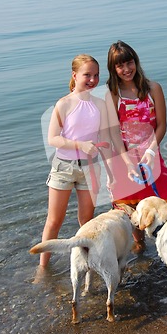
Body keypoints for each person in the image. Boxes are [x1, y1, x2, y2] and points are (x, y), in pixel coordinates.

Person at [105, 40, 167, 252]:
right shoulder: (113, 94)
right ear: (113, 69)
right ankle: (140, 246)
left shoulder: (153, 89)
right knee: (131, 207)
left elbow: (162, 125)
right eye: (120, 66)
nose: (126, 69)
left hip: (151, 155)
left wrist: (150, 150)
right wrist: (127, 163)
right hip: (123, 158)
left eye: (129, 63)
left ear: (136, 61)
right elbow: (113, 132)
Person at [38, 54, 111, 268]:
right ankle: (43, 267)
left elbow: (105, 140)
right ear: (74, 75)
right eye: (87, 75)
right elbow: (53, 139)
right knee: (54, 221)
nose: (92, 80)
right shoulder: (64, 104)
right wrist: (81, 145)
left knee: (86, 222)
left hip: (91, 168)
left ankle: (85, 265)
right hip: (63, 168)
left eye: (96, 75)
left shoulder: (100, 104)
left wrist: (112, 173)